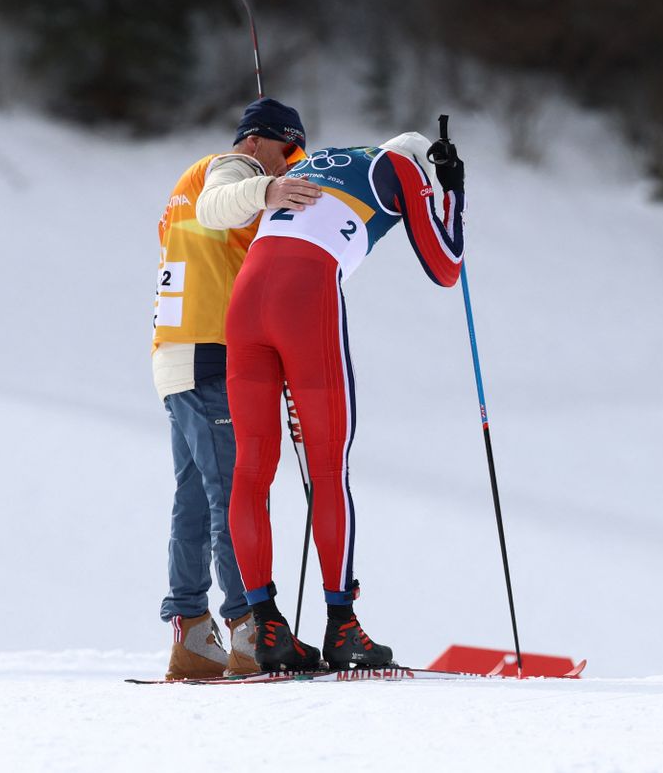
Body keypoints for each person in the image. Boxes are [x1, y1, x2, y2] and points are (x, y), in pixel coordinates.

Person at [199, 131, 466, 671]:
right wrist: (453, 192)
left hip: (246, 299)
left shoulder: (317, 160)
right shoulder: (403, 168)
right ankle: (343, 627)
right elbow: (446, 265)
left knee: (251, 467)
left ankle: (266, 628)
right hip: (307, 296)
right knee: (327, 468)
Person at [153, 97, 322, 680]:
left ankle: (193, 637)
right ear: (255, 141)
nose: (288, 166)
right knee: (237, 497)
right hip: (211, 355)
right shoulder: (234, 170)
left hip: (177, 355)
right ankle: (251, 631)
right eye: (285, 151)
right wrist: (267, 191)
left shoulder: (188, 184)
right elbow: (219, 202)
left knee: (196, 500)